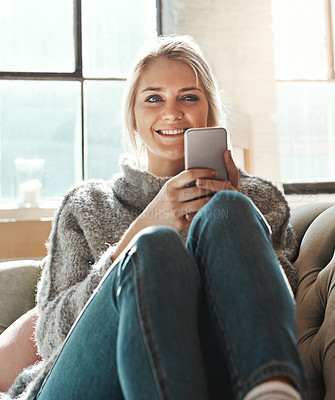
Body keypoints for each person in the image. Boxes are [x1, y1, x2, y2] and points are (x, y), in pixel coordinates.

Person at [0, 35, 305, 400]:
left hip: (213, 374)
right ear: (133, 115)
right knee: (153, 246)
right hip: (83, 380)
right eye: (153, 98)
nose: (172, 112)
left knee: (230, 210)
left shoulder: (258, 199)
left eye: (188, 97)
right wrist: (143, 228)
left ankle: (273, 390)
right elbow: (50, 335)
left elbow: (274, 308)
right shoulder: (87, 206)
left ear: (209, 109)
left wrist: (234, 223)